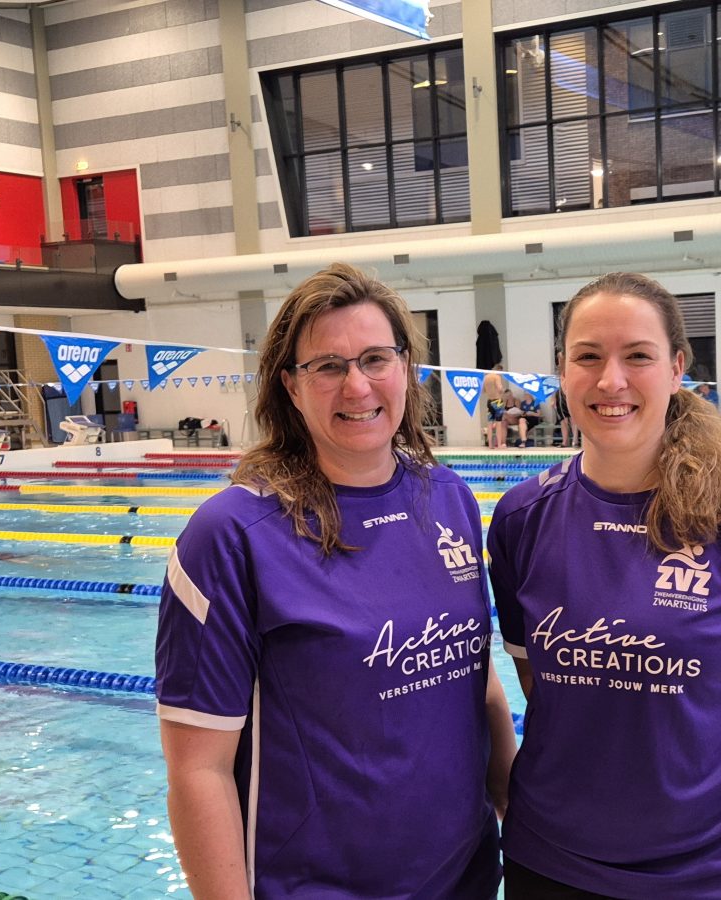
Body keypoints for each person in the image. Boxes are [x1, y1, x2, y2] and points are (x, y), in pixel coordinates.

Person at [156, 263, 515, 899]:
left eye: (376, 358)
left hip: (466, 877)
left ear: (406, 368)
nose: (357, 385)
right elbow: (198, 771)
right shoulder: (232, 536)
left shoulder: (450, 499)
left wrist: (519, 815)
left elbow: (477, 677)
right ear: (290, 387)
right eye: (327, 366)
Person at [487, 272, 721, 899]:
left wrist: (720, 812)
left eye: (638, 356)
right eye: (588, 357)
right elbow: (537, 680)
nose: (611, 381)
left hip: (717, 875)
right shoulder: (522, 519)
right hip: (551, 863)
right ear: (562, 370)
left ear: (677, 367)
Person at [484, 364, 506, 448]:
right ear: (499, 370)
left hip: (489, 402)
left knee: (489, 424)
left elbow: (483, 391)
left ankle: (490, 445)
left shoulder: (486, 377)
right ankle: (499, 444)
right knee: (498, 424)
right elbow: (500, 388)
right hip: (497, 402)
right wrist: (502, 391)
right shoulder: (497, 377)